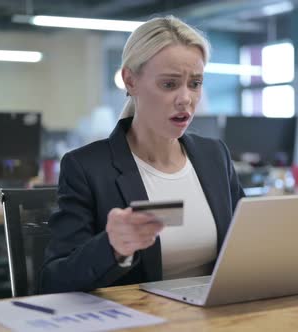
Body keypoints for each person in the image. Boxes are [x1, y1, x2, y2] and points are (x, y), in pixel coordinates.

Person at [40, 16, 245, 294]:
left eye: (195, 83)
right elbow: (54, 280)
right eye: (170, 85)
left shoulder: (214, 155)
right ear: (130, 80)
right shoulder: (87, 168)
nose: (186, 98)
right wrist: (112, 247)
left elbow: (248, 242)